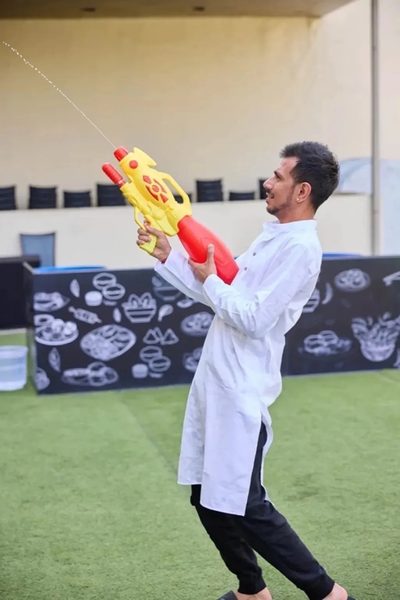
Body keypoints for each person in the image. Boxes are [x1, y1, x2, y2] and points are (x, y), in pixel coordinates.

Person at [136, 141, 356, 600]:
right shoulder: (273, 236)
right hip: (217, 378)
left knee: (247, 505)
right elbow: (222, 295)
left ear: (303, 191)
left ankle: (329, 594)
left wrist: (211, 280)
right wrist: (168, 255)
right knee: (205, 496)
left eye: (279, 176)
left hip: (241, 388)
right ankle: (252, 591)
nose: (268, 182)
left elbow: (253, 318)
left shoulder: (300, 248)